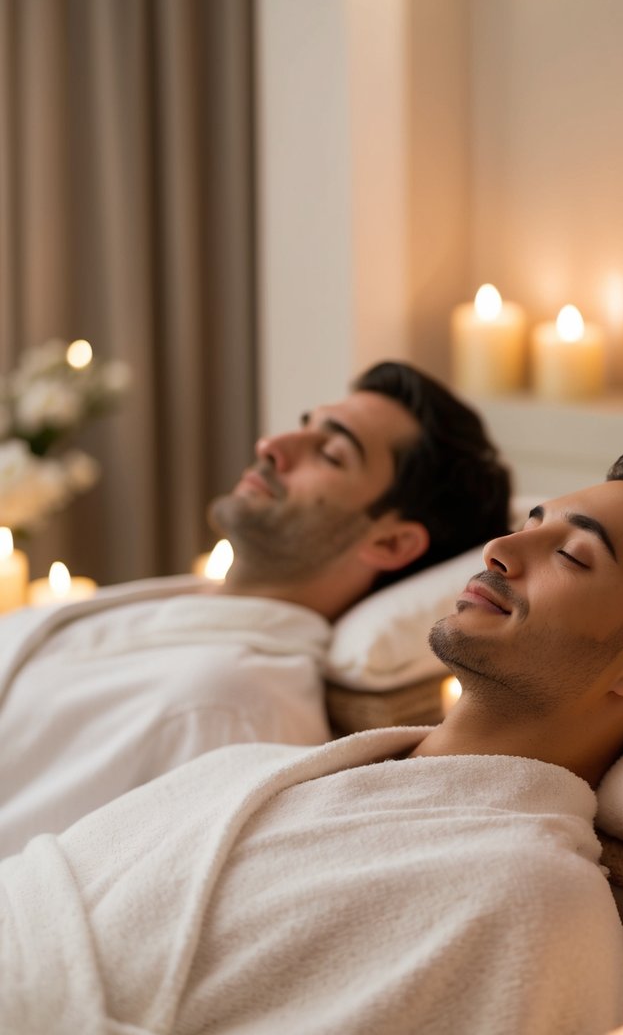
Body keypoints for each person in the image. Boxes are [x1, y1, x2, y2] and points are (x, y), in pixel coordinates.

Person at [0, 441, 623, 1035]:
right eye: (532, 520)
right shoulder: (251, 768)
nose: (502, 548)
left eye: (570, 556)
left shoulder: (527, 903)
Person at [0, 361, 511, 855]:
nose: (272, 446)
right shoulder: (182, 611)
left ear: (392, 542)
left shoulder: (235, 708)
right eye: (303, 426)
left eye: (331, 453)